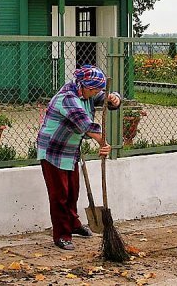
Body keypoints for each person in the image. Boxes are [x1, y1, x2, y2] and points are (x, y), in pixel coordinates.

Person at [37, 65, 121, 250]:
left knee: (73, 191)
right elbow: (86, 123)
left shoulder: (86, 91)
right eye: (97, 90)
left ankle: (73, 224)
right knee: (59, 195)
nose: (99, 92)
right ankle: (62, 235)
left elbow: (105, 98)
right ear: (87, 87)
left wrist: (113, 98)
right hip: (53, 150)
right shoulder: (67, 98)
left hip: (70, 149)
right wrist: (103, 143)